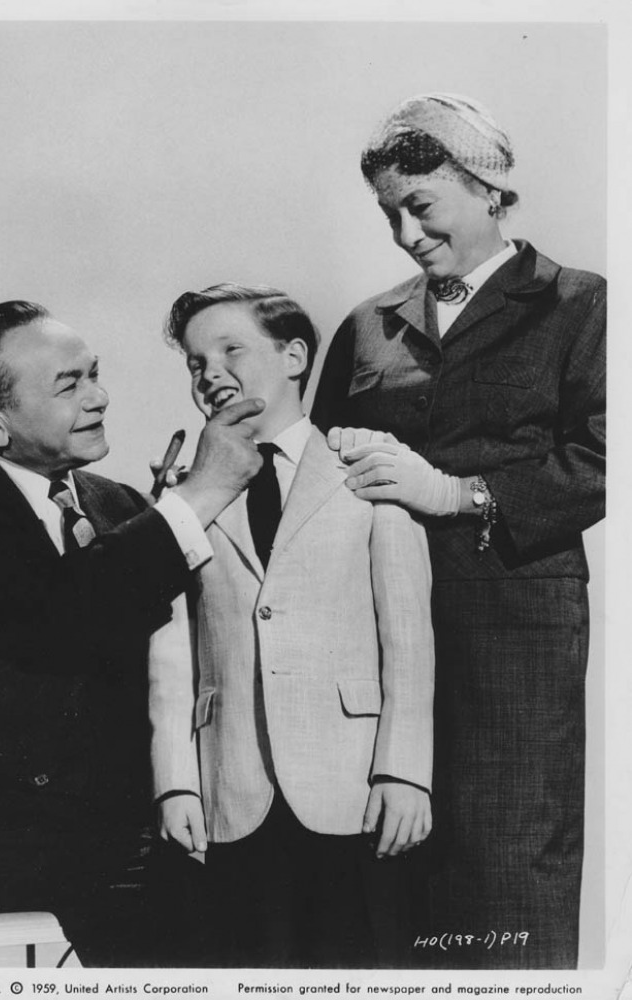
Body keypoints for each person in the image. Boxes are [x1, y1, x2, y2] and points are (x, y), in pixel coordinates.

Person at [0, 299, 264, 968]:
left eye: (94, 374)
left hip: (110, 838)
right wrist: (199, 494)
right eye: (68, 385)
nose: (99, 398)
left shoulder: (122, 505)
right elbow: (58, 614)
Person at [311, 93, 606, 970]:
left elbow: (605, 457)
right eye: (388, 214)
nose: (406, 234)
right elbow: (314, 468)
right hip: (373, 632)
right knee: (385, 875)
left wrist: (458, 494)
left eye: (421, 205)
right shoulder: (367, 325)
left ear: (488, 189)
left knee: (508, 864)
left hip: (513, 630)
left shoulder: (580, 304)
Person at [148, 284, 435, 968]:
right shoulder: (184, 495)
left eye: (231, 350)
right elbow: (172, 655)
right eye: (195, 362)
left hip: (352, 783)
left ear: (295, 357)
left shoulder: (367, 467)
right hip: (230, 783)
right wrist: (176, 782)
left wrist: (405, 772)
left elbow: (408, 640)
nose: (210, 372)